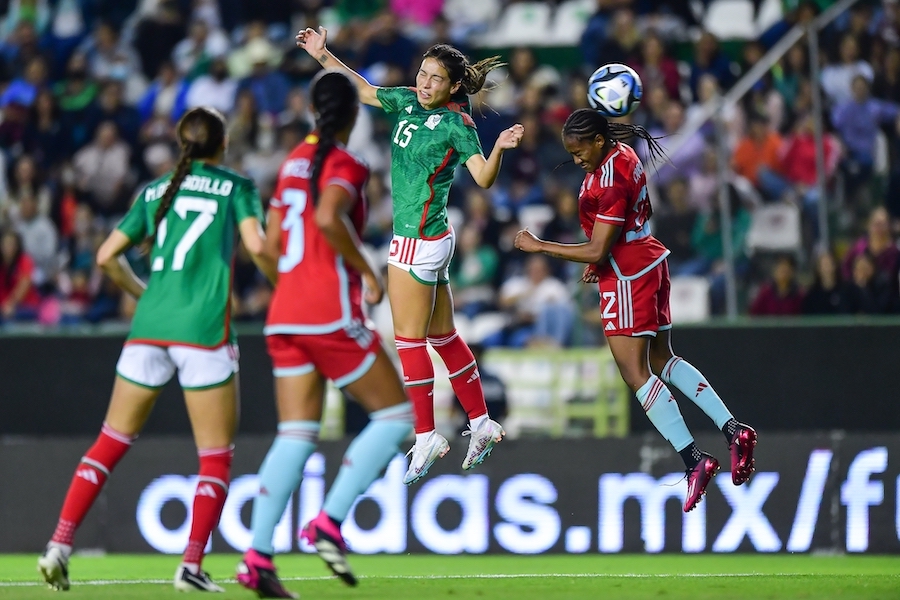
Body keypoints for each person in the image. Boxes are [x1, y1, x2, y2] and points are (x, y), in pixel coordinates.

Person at [38, 107, 277, 592]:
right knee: (214, 458)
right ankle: (190, 565)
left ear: (180, 142)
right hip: (204, 331)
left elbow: (106, 257)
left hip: (149, 328)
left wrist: (144, 294)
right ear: (223, 142)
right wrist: (289, 291)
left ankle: (58, 546)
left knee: (109, 443)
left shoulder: (153, 191)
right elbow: (258, 247)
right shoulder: (237, 187)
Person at [296, 26, 524, 484]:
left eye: (435, 79)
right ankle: (480, 421)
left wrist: (497, 147)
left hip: (417, 240)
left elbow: (481, 179)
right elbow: (360, 87)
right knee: (442, 337)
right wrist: (324, 55)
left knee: (407, 340)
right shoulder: (405, 100)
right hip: (430, 237)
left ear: (454, 86)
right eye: (422, 74)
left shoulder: (459, 125)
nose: (425, 83)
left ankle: (427, 435)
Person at [513, 109, 757, 513]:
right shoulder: (623, 154)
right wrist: (598, 262)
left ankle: (695, 460)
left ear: (596, 141)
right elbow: (614, 235)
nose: (576, 159)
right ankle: (733, 430)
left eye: (579, 151)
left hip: (629, 273)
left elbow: (598, 246)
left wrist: (541, 246)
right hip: (645, 261)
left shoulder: (611, 176)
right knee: (663, 358)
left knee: (635, 373)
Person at [235, 70, 414, 599]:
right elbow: (331, 217)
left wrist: (288, 290)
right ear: (353, 115)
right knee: (395, 414)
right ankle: (329, 521)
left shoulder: (290, 162)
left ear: (313, 108)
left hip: (284, 314)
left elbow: (265, 248)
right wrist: (365, 270)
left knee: (295, 433)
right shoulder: (346, 164)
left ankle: (257, 556)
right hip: (329, 312)